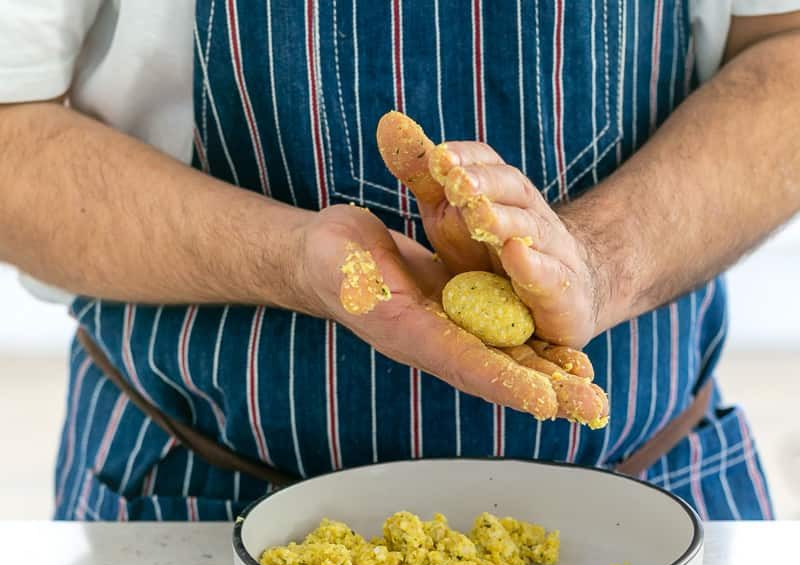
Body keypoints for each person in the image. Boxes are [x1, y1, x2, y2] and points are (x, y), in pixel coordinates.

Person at [1, 2, 798, 522]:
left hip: (651, 504)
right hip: (196, 505)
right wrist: (290, 260)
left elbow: (785, 51)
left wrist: (601, 262)